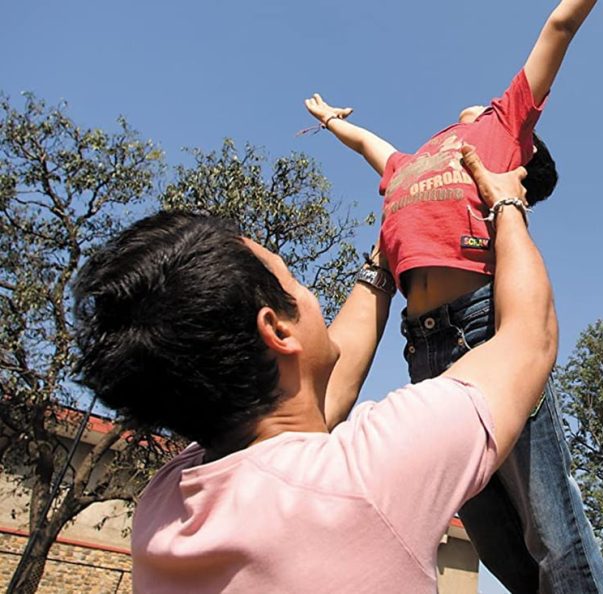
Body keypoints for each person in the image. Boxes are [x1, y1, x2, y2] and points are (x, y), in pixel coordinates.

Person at [72, 147, 554, 593]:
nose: (309, 294)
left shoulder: (165, 506)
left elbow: (315, 393)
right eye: (291, 279)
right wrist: (508, 206)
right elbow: (529, 340)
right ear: (277, 330)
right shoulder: (367, 480)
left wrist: (385, 256)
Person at [303, 1, 603, 591]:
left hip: (485, 330)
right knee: (492, 535)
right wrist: (330, 120)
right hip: (423, 352)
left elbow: (559, 25)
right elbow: (372, 146)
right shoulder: (415, 161)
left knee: (552, 523)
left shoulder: (503, 127)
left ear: (526, 152)